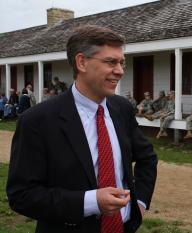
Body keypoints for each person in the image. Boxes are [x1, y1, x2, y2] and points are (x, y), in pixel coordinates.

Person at [7, 25, 158, 233]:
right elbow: (22, 195)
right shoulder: (37, 120)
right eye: (111, 62)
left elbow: (147, 158)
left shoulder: (121, 108)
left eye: (122, 63)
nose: (120, 71)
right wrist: (90, 201)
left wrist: (139, 203)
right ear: (82, 62)